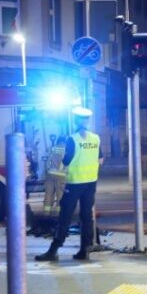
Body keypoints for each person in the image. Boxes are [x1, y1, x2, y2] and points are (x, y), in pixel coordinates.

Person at [35, 108, 103, 262]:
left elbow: (66, 161)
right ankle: (85, 250)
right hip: (90, 183)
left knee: (64, 216)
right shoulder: (96, 138)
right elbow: (100, 159)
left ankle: (53, 250)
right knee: (86, 216)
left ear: (76, 121)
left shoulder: (73, 139)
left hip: (74, 183)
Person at [43, 134, 67, 216]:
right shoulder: (66, 149)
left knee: (48, 194)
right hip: (60, 175)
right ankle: (58, 214)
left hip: (50, 174)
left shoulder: (52, 148)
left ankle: (46, 213)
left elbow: (46, 161)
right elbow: (67, 163)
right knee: (60, 195)